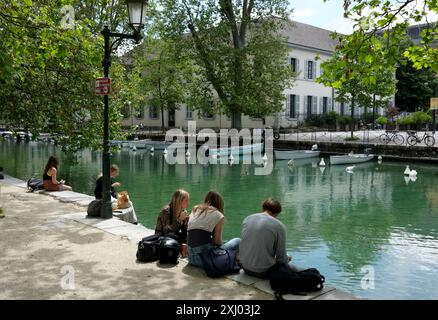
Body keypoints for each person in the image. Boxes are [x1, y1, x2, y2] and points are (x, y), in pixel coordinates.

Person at [239, 198, 302, 279]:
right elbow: (281, 259)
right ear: (277, 214)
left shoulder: (247, 219)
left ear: (263, 208)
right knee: (298, 269)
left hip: (245, 268)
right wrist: (287, 258)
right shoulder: (279, 226)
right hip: (264, 272)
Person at [187, 191, 241, 268]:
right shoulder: (218, 215)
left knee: (226, 241)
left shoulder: (195, 209)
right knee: (238, 241)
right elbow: (217, 242)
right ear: (219, 203)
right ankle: (238, 262)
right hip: (204, 260)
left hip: (191, 258)